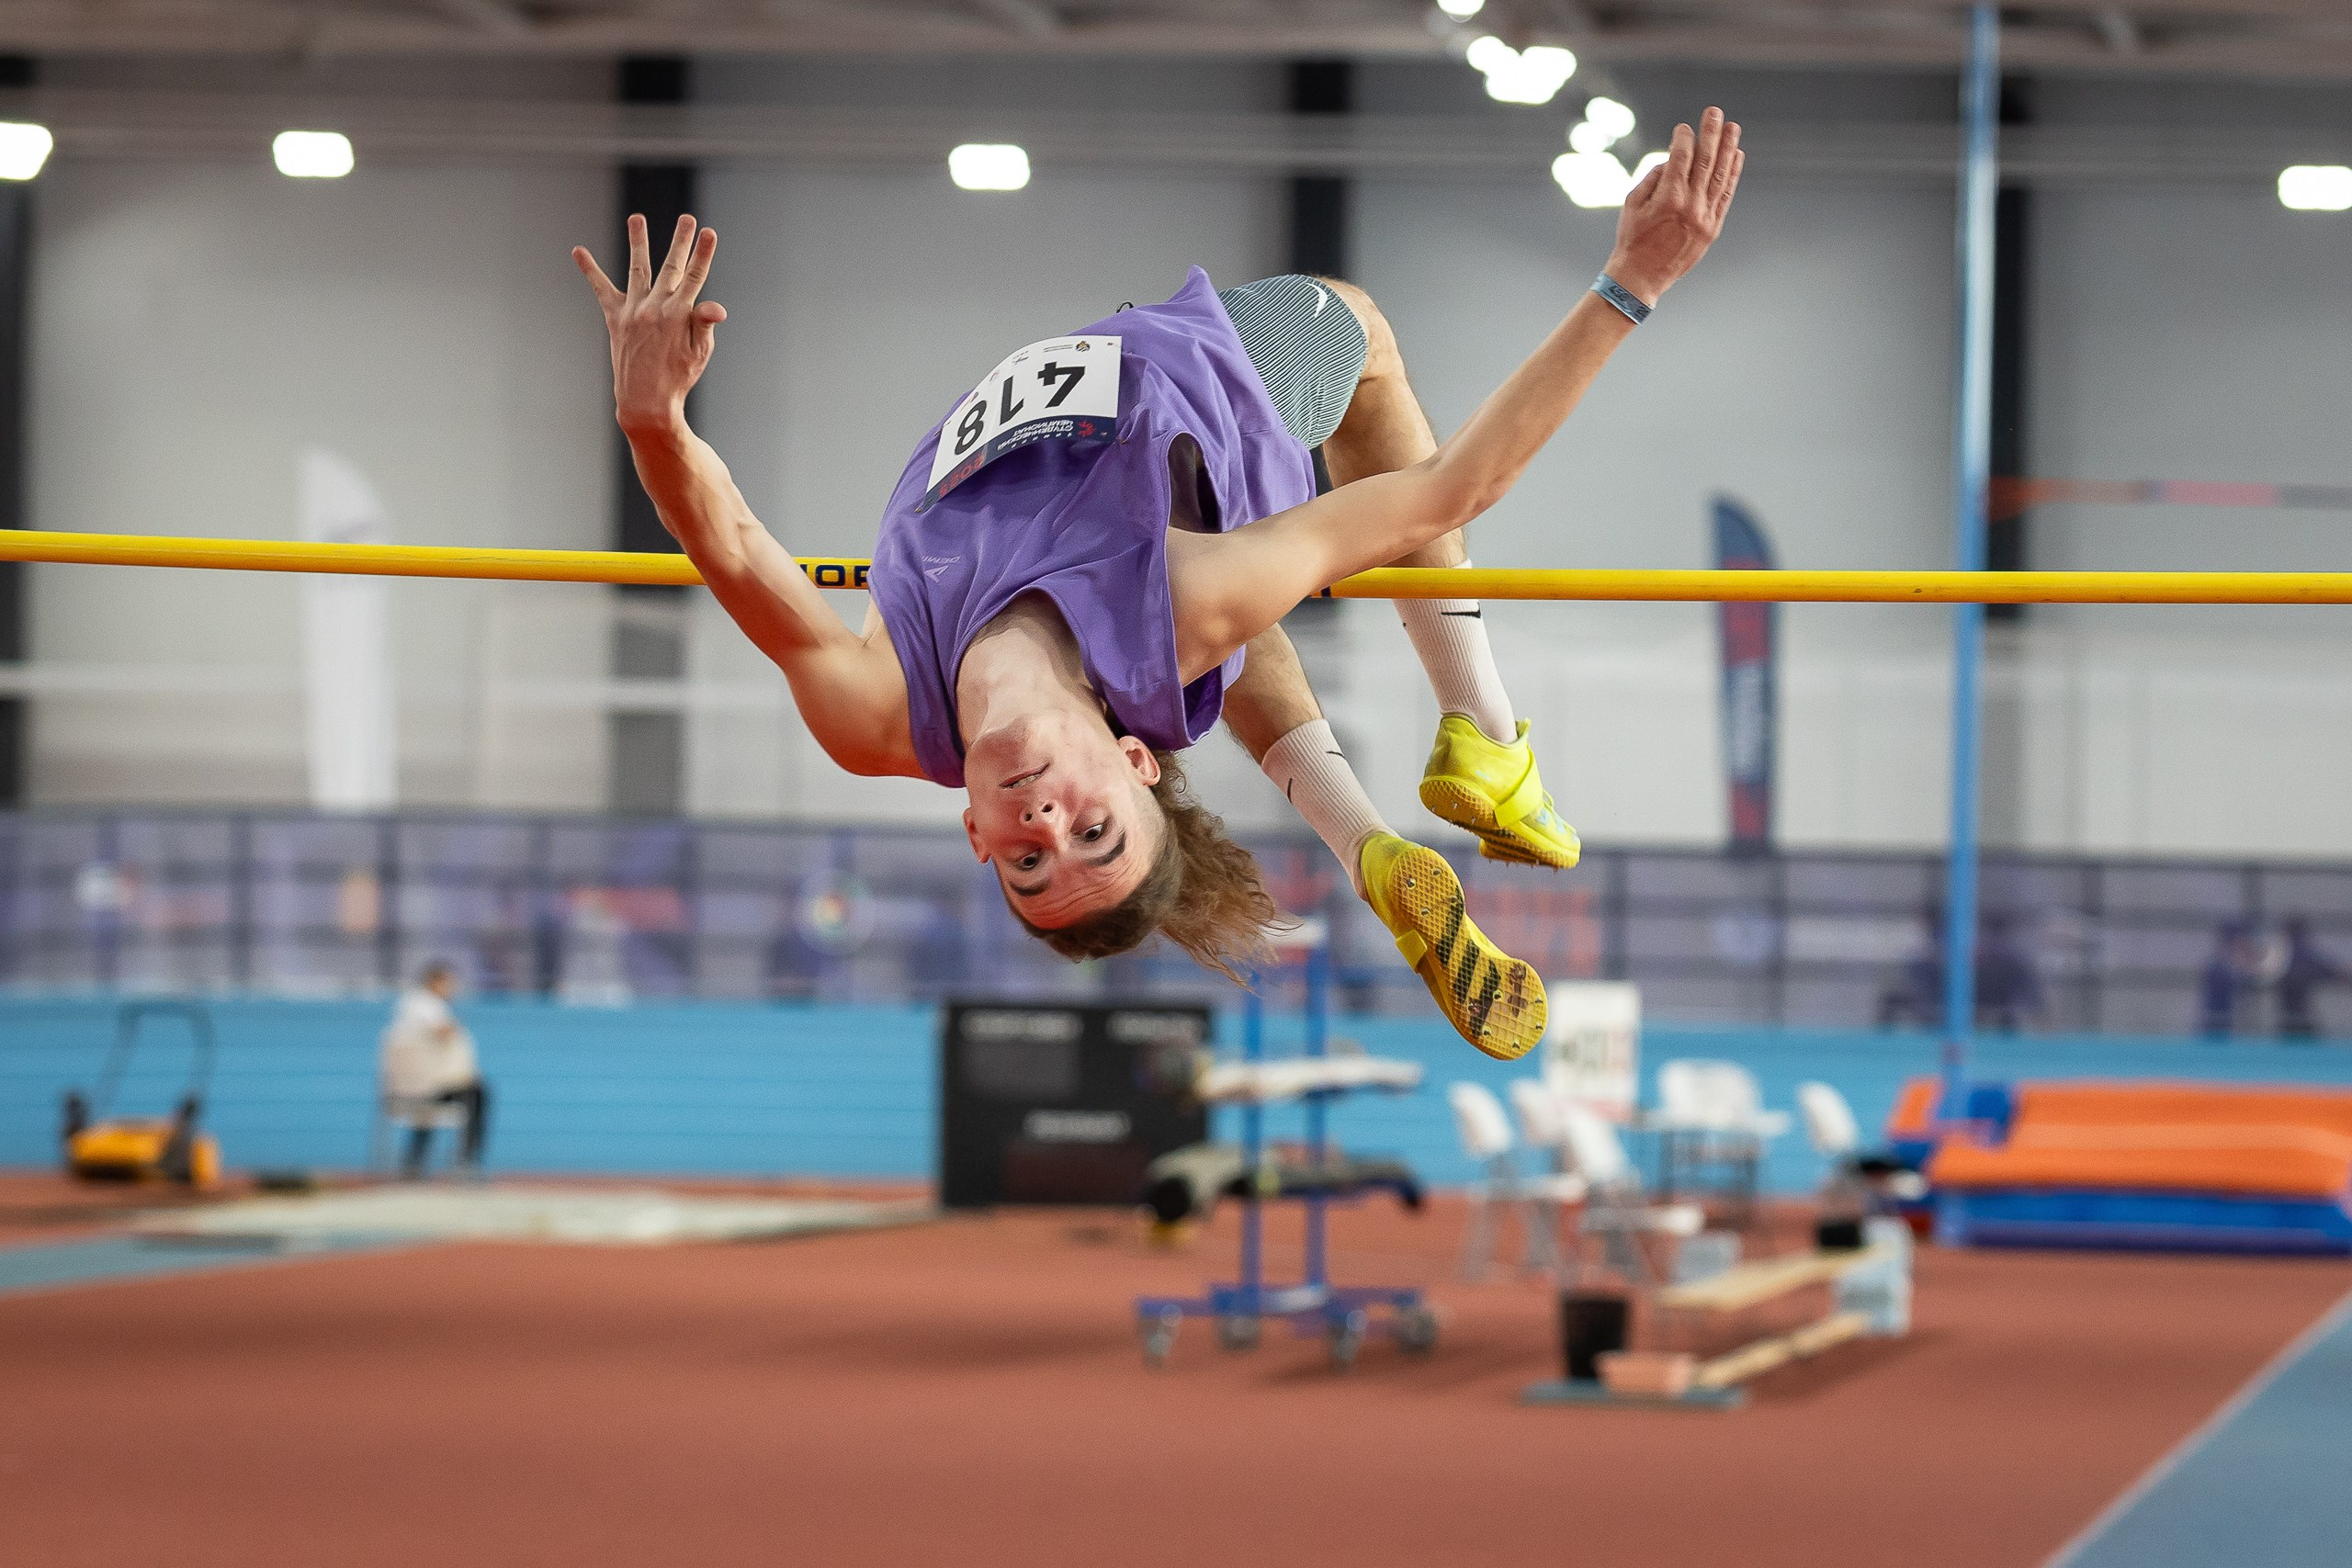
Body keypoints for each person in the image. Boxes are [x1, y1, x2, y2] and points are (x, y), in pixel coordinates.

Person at [572, 110, 1745, 1060]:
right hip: (1210, 383)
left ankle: (1360, 838)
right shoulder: (1190, 598)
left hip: (1151, 531)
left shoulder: (875, 714)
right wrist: (1630, 283)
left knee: (1217, 644)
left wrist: (649, 419)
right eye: (1095, 831)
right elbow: (1450, 490)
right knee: (1363, 343)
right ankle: (1486, 733)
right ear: (1138, 766)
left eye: (1032, 858)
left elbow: (724, 542)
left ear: (976, 835)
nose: (1045, 824)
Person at [379, 960, 490, 1177]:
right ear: (435, 982)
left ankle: (414, 1161)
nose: (453, 989)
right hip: (425, 1087)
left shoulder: (408, 1007)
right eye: (448, 983)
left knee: (428, 1109)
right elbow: (443, 1031)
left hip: (411, 1088)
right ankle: (466, 1160)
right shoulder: (425, 1005)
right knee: (476, 1091)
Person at [2276, 916, 2340, 1041]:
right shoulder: (2299, 955)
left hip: (2293, 1017)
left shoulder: (2287, 955)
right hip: (2296, 1017)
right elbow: (2327, 969)